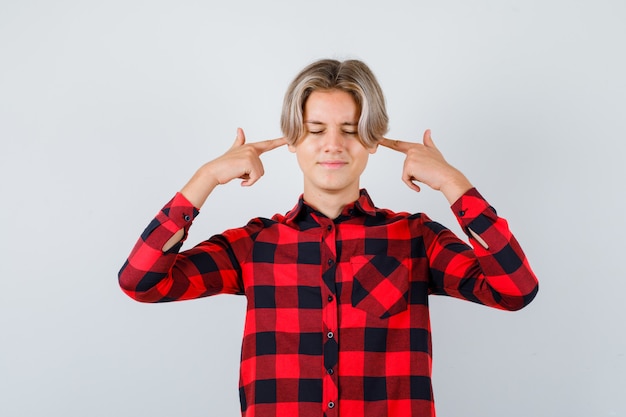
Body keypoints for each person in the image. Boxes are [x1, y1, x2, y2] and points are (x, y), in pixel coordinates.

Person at [118, 58, 538, 417]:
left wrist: (453, 183)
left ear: (372, 140)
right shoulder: (254, 246)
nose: (333, 145)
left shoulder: (415, 238)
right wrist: (205, 178)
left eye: (351, 129)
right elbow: (142, 282)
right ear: (293, 140)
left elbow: (514, 290)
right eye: (315, 129)